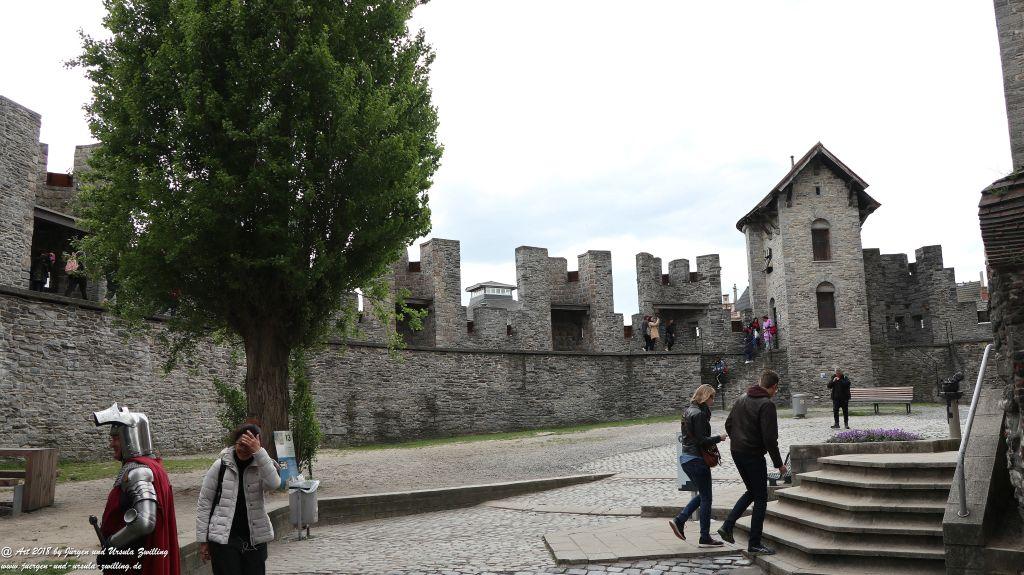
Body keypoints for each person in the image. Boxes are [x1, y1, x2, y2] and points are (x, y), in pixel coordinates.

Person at [92, 403, 180, 575]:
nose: (111, 444)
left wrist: (111, 545)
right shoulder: (151, 466)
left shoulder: (138, 472)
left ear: (129, 438)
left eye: (116, 438)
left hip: (134, 560)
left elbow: (145, 522)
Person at [717, 370, 787, 556]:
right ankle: (754, 543)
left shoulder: (742, 398)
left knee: (752, 491)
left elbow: (728, 424)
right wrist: (779, 464)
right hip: (753, 455)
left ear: (760, 382)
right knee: (761, 497)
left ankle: (727, 526)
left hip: (737, 452)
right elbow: (770, 439)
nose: (775, 392)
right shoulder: (767, 405)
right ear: (774, 387)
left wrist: (738, 440)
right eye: (776, 389)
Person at [197, 423, 282, 575]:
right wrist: (203, 540)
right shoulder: (220, 466)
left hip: (254, 538)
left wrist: (259, 453)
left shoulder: (263, 465)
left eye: (248, 446)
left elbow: (274, 484)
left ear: (256, 444)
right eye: (240, 444)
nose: (243, 449)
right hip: (224, 539)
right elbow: (205, 502)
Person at [670, 384, 727, 546]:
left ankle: (680, 520)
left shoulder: (688, 411)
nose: (713, 401)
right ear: (705, 396)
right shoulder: (699, 414)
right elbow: (702, 440)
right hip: (697, 460)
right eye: (712, 397)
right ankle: (703, 535)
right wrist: (719, 438)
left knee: (703, 494)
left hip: (686, 459)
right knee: (707, 498)